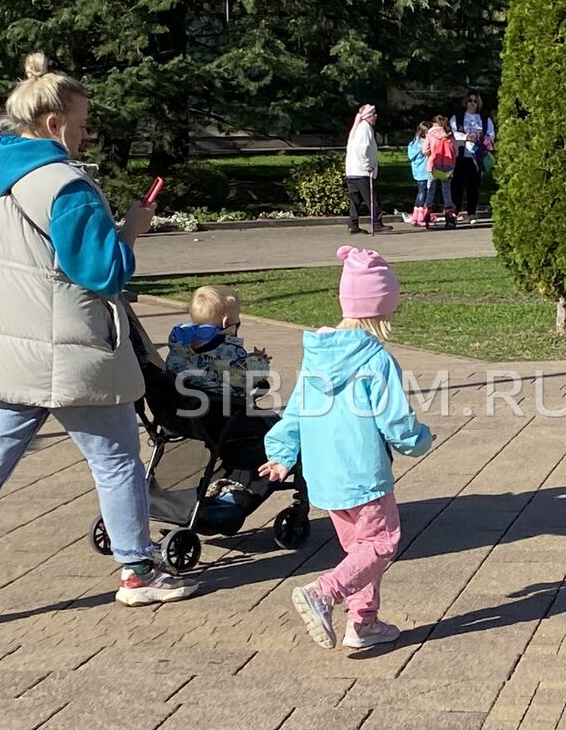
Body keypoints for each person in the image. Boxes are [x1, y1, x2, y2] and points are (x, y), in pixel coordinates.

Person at [0, 52, 196, 629]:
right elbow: (103, 272)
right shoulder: (67, 186)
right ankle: (138, 569)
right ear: (54, 123)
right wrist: (131, 231)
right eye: (81, 124)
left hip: (8, 350)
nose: (86, 135)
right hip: (68, 351)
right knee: (117, 460)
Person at [260, 246, 433, 651]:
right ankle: (324, 592)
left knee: (360, 549)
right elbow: (395, 421)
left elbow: (296, 411)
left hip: (324, 476)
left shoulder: (316, 358)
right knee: (381, 543)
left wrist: (282, 454)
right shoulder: (376, 360)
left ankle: (363, 623)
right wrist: (419, 439)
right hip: (363, 475)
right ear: (381, 309)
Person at [165, 284, 271, 399]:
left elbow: (217, 362)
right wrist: (260, 362)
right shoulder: (224, 346)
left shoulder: (182, 344)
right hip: (223, 401)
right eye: (238, 315)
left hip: (192, 396)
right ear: (225, 322)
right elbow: (243, 372)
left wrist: (249, 357)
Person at [448, 92, 495, 224]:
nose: (472, 103)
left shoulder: (484, 118)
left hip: (477, 156)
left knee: (473, 186)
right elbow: (452, 133)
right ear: (465, 103)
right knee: (457, 184)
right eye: (470, 101)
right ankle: (455, 212)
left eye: (475, 101)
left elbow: (491, 134)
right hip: (461, 155)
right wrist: (466, 137)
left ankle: (472, 213)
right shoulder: (458, 117)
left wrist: (482, 140)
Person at [344, 103, 389, 235]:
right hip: (361, 171)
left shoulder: (357, 128)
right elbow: (362, 149)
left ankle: (353, 224)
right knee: (372, 198)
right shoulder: (365, 128)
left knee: (355, 200)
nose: (376, 117)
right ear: (368, 116)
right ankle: (377, 223)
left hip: (352, 171)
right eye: (374, 115)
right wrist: (367, 164)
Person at [424, 115, 457, 227]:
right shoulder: (449, 134)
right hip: (447, 167)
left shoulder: (430, 134)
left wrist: (431, 154)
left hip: (433, 165)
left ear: (434, 123)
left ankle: (427, 211)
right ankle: (449, 215)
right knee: (446, 190)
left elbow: (424, 150)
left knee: (431, 189)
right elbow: (456, 152)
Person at [405, 121, 434, 227]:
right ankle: (422, 215)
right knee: (424, 193)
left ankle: (416, 216)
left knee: (420, 192)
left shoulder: (414, 143)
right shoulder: (425, 143)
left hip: (417, 171)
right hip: (425, 170)